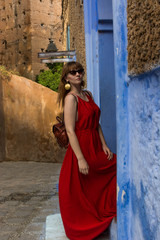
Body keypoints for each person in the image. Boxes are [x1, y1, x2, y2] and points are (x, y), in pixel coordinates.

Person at [58, 61, 116, 240]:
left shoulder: (87, 95)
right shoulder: (70, 99)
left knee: (113, 168)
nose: (77, 74)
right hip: (81, 146)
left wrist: (104, 144)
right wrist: (80, 159)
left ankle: (104, 211)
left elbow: (96, 123)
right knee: (82, 186)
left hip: (95, 144)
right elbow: (70, 130)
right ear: (66, 78)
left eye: (80, 71)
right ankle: (85, 225)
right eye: (73, 72)